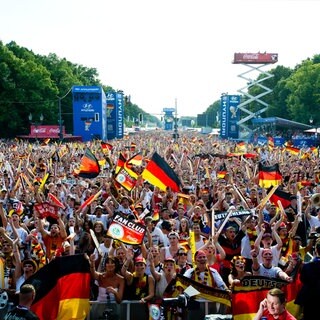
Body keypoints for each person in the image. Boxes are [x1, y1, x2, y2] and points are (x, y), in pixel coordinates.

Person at [295, 239, 320, 320]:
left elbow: (303, 279)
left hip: (310, 299)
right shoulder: (307, 266)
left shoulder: (307, 266)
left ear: (316, 250)